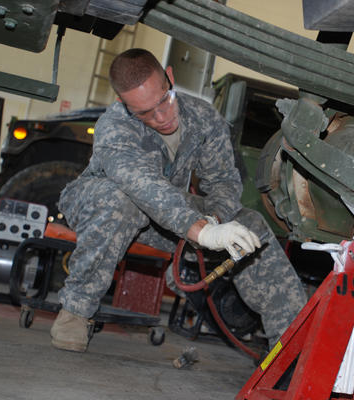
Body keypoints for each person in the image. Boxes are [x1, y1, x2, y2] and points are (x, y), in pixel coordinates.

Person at [50, 48, 307, 352]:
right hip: (99, 203)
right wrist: (200, 230)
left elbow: (223, 181)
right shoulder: (115, 127)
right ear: (123, 103)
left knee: (252, 224)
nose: (160, 118)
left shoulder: (203, 118)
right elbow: (143, 187)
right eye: (144, 113)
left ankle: (291, 348)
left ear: (170, 77)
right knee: (121, 199)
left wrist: (216, 219)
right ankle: (76, 312)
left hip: (163, 219)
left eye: (163, 101)